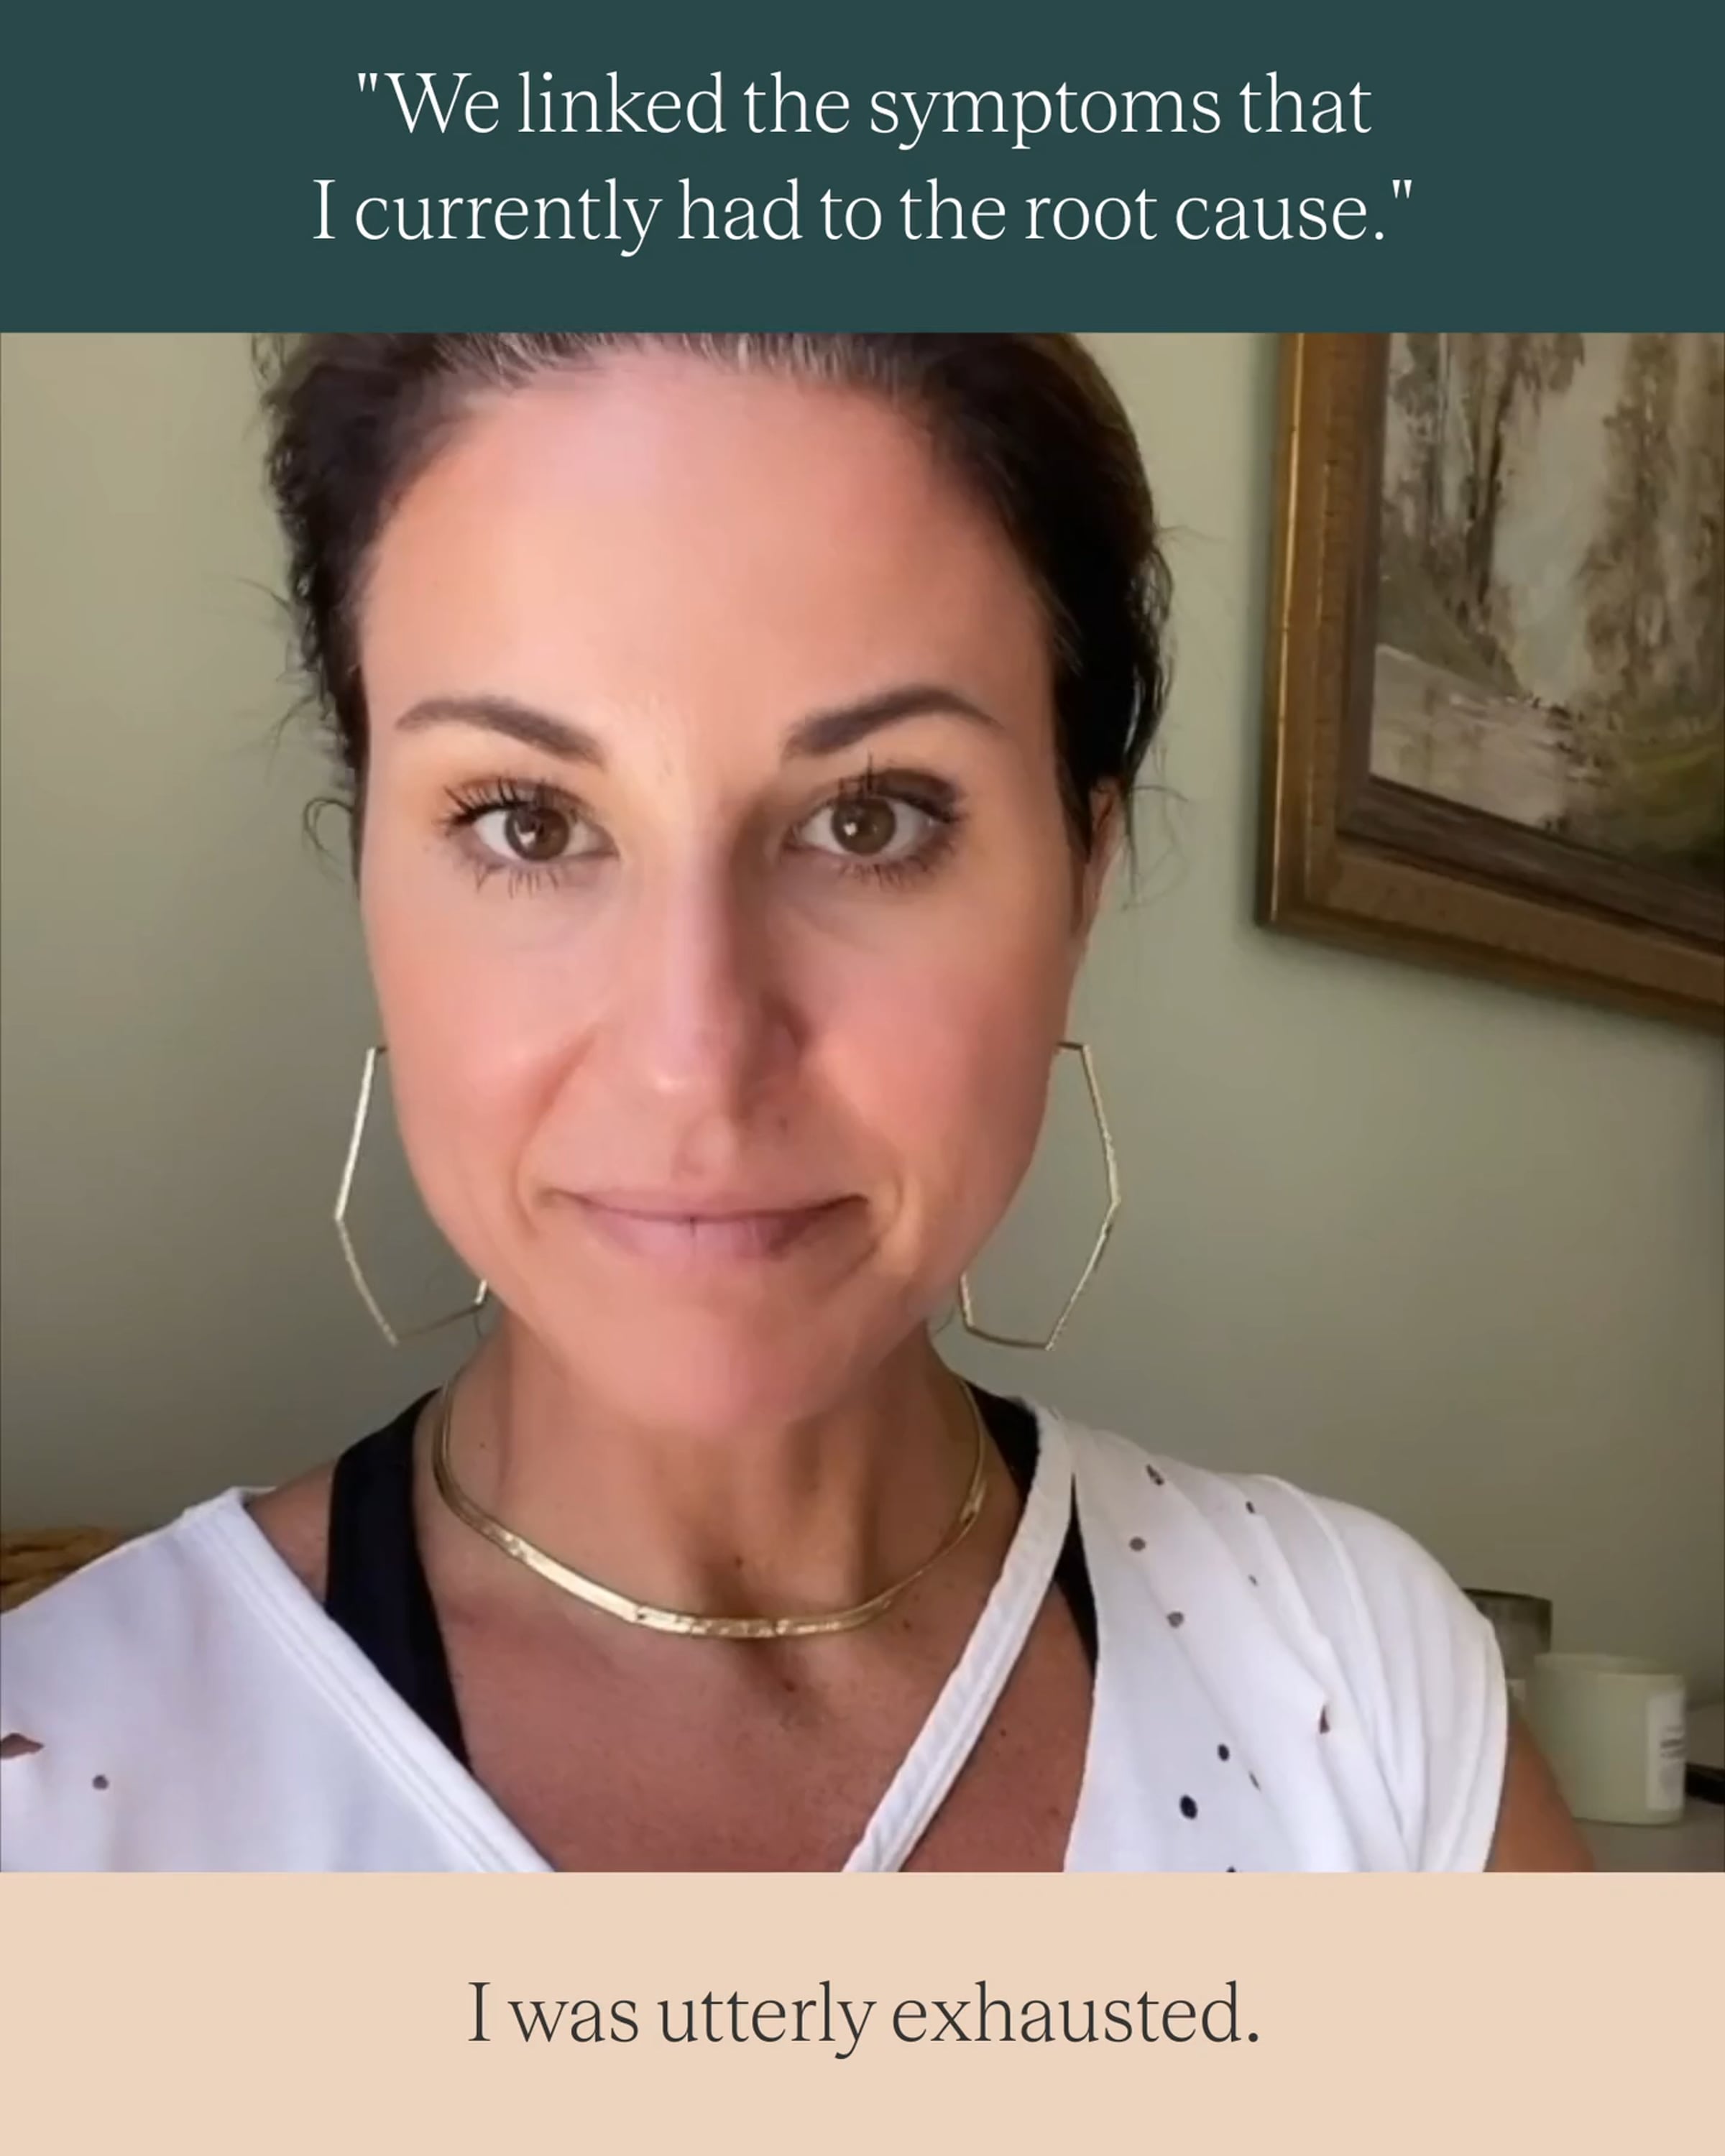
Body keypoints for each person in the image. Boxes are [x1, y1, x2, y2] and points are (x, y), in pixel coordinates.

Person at [0, 333, 1588, 1872]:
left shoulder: (1364, 1701)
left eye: (871, 819)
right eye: (529, 823)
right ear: (369, 885)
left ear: (1083, 875)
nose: (696, 1053)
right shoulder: (60, 1790)